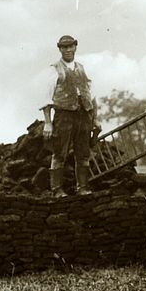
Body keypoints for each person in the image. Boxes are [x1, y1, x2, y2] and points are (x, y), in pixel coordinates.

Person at [39, 35, 100, 197]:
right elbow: (46, 98)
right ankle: (57, 190)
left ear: (75, 47)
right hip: (64, 115)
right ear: (59, 49)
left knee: (83, 153)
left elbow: (92, 96)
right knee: (59, 153)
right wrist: (47, 123)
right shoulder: (54, 69)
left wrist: (95, 118)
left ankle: (83, 188)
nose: (67, 50)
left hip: (84, 115)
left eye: (70, 46)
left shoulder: (82, 68)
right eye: (64, 47)